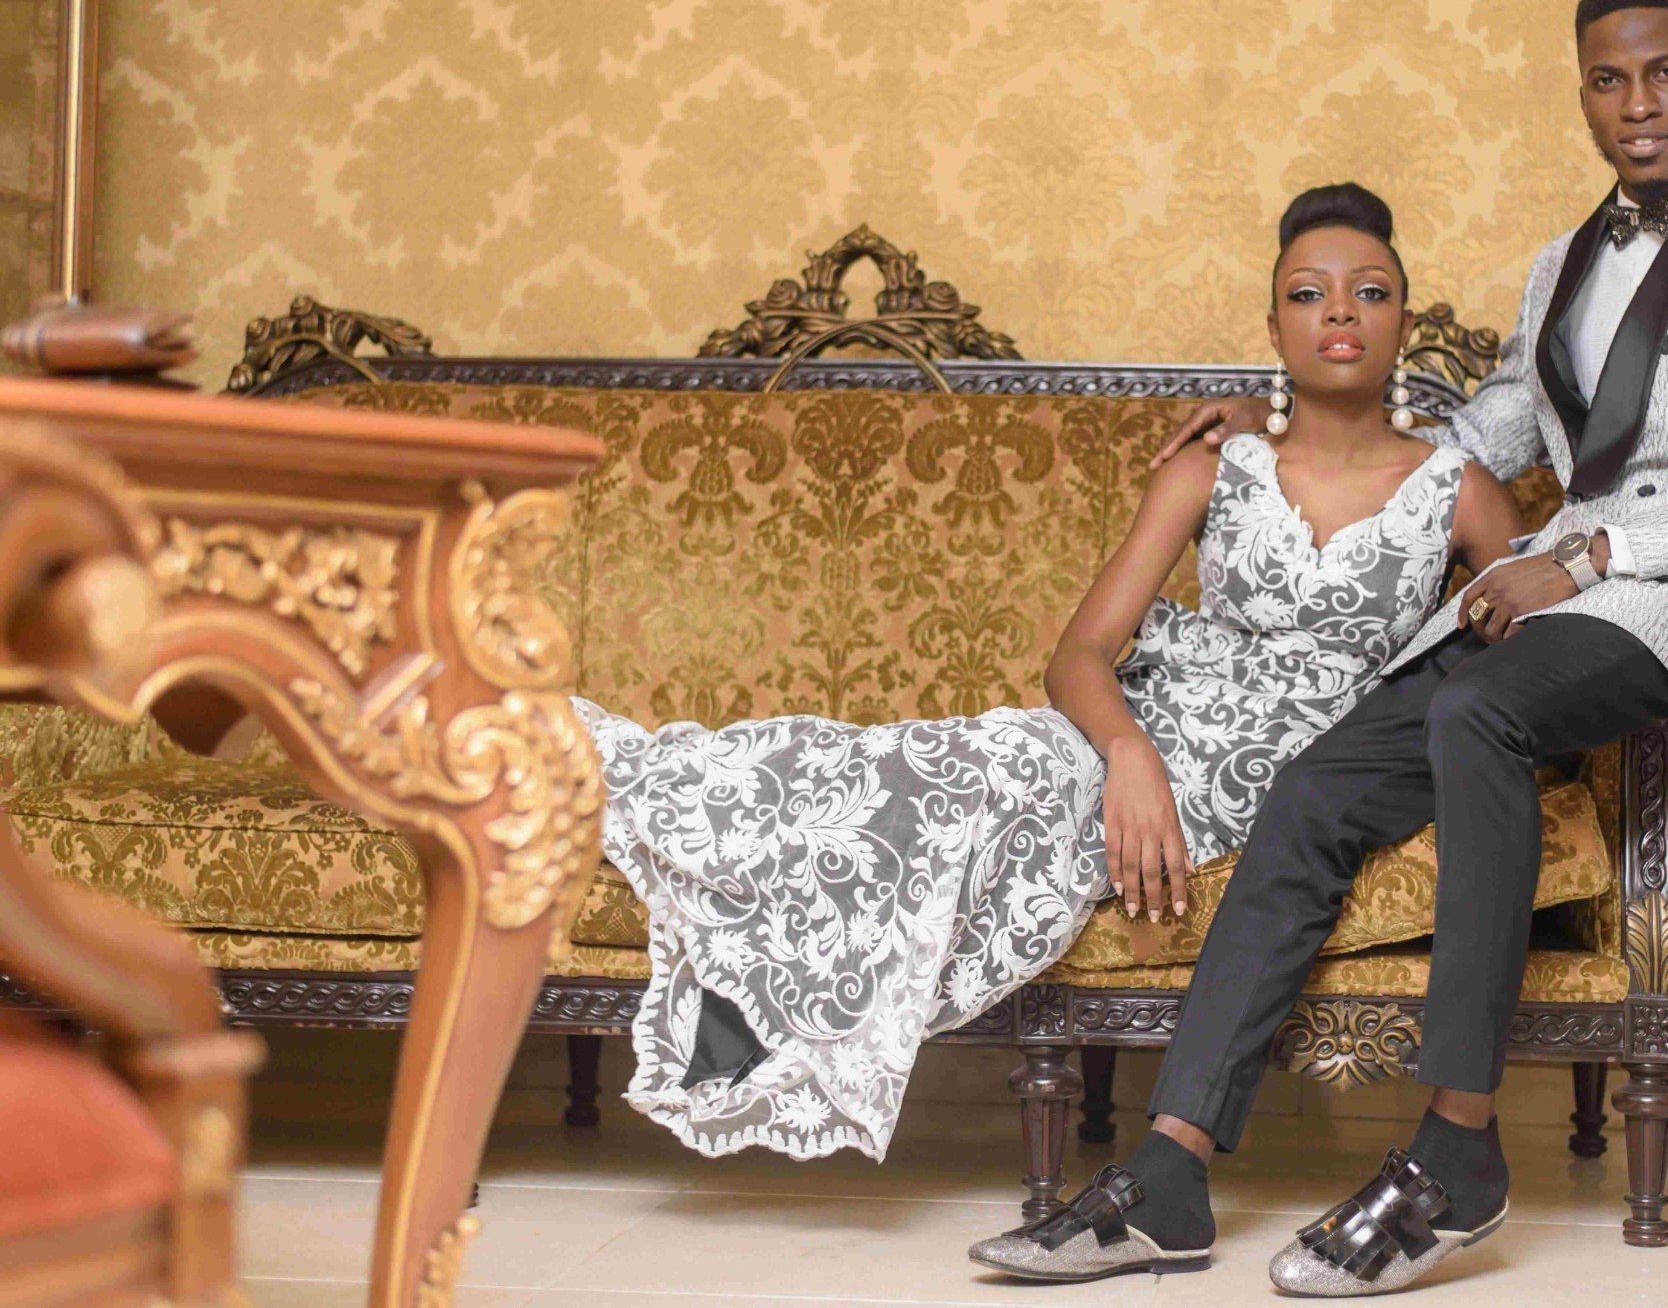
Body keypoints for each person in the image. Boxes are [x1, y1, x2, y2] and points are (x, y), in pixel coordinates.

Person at [971, 0, 1668, 1295]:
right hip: (1557, 584)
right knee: (1317, 781)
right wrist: (1283, 426)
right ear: (1584, 97)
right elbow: (1487, 428)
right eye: (1609, 79)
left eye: (1666, 72)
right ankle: (1167, 1175)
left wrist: (1600, 552)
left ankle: (1455, 1151)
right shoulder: (1561, 263)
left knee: (1475, 706)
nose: (1638, 102)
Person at [571, 184, 1523, 1170]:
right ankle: (614, 802)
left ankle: (740, 988)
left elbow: (1523, 668)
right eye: (1307, 293)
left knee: (969, 812)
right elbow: (1078, 653)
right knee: (941, 773)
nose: (1339, 311)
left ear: (1402, 321)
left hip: (1290, 785)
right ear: (1273, 327)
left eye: (1369, 291)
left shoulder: (1461, 494)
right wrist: (1129, 756)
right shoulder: (1212, 468)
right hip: (1128, 742)